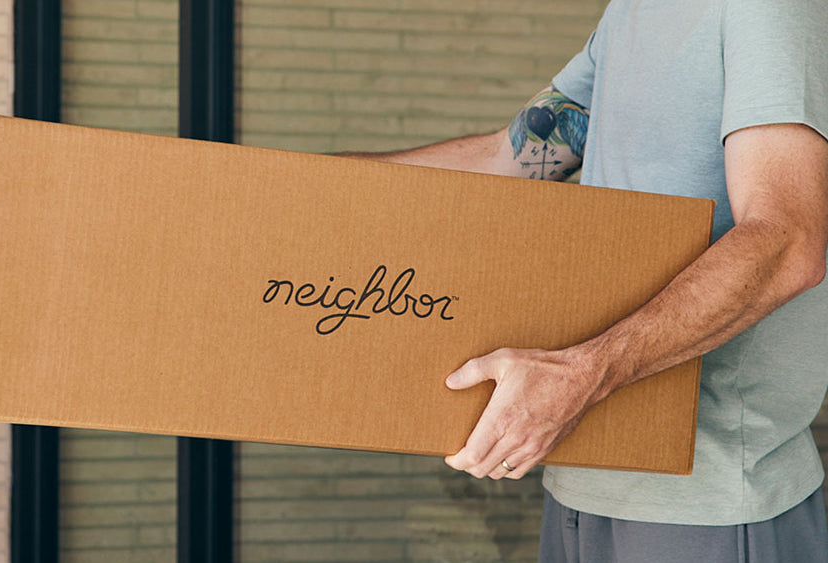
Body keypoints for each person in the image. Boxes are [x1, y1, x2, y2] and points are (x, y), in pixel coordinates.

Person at [344, 0, 828, 561]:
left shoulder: (765, 8)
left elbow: (789, 242)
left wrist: (582, 374)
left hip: (705, 496)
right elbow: (512, 158)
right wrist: (295, 184)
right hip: (582, 463)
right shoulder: (631, 11)